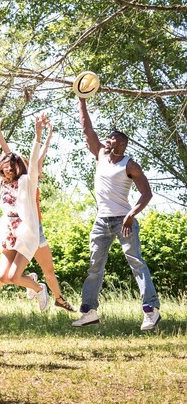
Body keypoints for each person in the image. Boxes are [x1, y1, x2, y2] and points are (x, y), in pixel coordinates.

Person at [72, 98, 160, 330]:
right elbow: (86, 129)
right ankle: (89, 311)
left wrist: (131, 215)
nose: (109, 141)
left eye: (113, 139)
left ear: (122, 144)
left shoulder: (130, 165)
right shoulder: (101, 155)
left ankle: (151, 309)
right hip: (101, 221)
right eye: (109, 138)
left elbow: (146, 194)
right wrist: (81, 99)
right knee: (94, 267)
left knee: (137, 264)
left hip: (124, 220)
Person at [0, 115, 76, 312]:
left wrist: (47, 135)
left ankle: (59, 298)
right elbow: (7, 154)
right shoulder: (16, 179)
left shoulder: (30, 179)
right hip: (19, 230)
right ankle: (34, 285)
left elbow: (38, 156)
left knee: (49, 270)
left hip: (35, 228)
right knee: (10, 274)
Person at [0, 115, 50, 332]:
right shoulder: (0, 183)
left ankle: (38, 288)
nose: (9, 170)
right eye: (6, 167)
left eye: (13, 167)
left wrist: (38, 136)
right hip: (8, 232)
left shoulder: (28, 182)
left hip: (27, 233)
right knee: (2, 277)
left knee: (13, 276)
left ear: (19, 168)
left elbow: (35, 162)